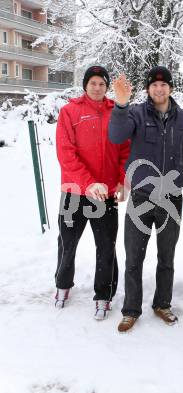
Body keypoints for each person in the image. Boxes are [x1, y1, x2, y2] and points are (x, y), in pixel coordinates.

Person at [109, 66, 183, 332]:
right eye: (154, 85)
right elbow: (116, 135)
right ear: (148, 89)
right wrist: (121, 104)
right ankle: (131, 310)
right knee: (134, 258)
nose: (159, 89)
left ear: (170, 88)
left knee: (166, 257)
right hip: (142, 196)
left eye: (164, 84)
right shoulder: (136, 113)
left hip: (171, 199)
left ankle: (163, 303)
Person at [55, 65, 130, 320]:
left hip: (106, 193)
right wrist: (88, 183)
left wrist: (121, 181)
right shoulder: (70, 111)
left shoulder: (116, 113)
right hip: (75, 191)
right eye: (93, 83)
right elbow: (66, 154)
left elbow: (125, 151)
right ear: (85, 85)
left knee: (106, 246)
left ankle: (104, 295)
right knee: (67, 242)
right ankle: (63, 284)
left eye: (102, 84)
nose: (97, 88)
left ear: (107, 87)